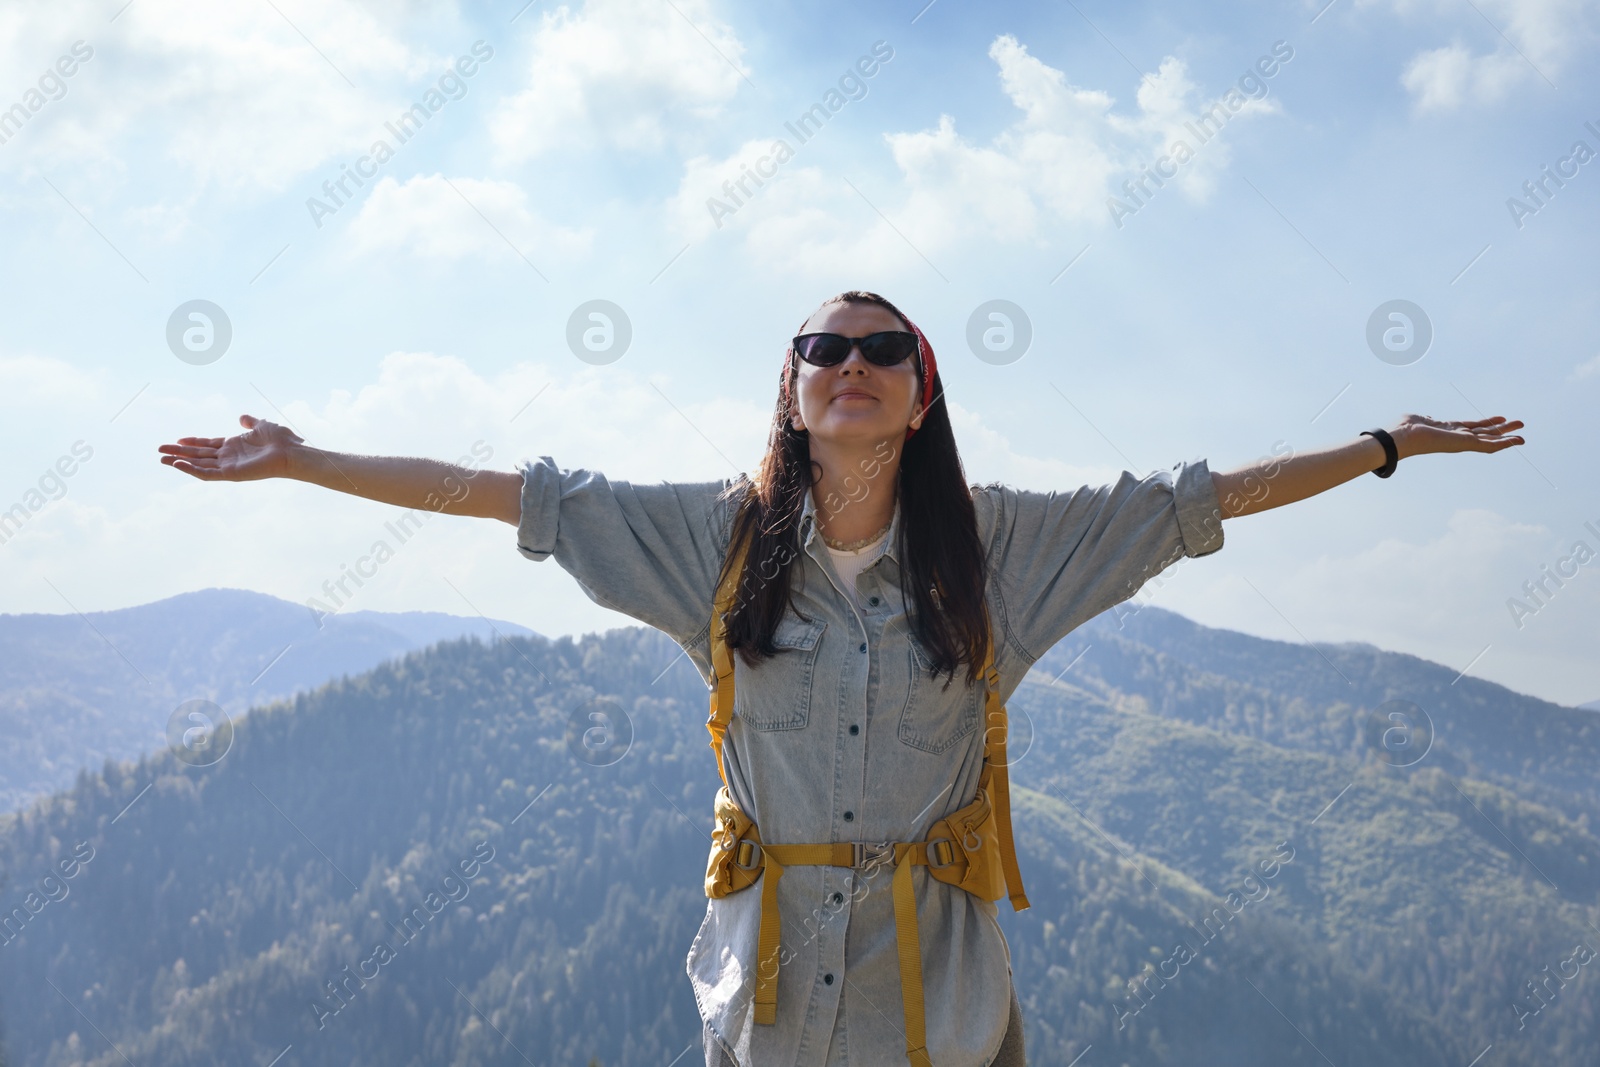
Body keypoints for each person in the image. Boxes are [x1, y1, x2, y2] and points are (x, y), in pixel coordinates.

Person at [158, 290, 1526, 1067]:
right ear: (793, 392)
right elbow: (510, 495)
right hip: (764, 1005)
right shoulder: (713, 542)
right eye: (825, 349)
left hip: (936, 1008)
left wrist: (1383, 447)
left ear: (922, 396)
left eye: (885, 351)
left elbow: (1192, 501)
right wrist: (309, 457)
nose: (853, 365)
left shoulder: (1000, 552)